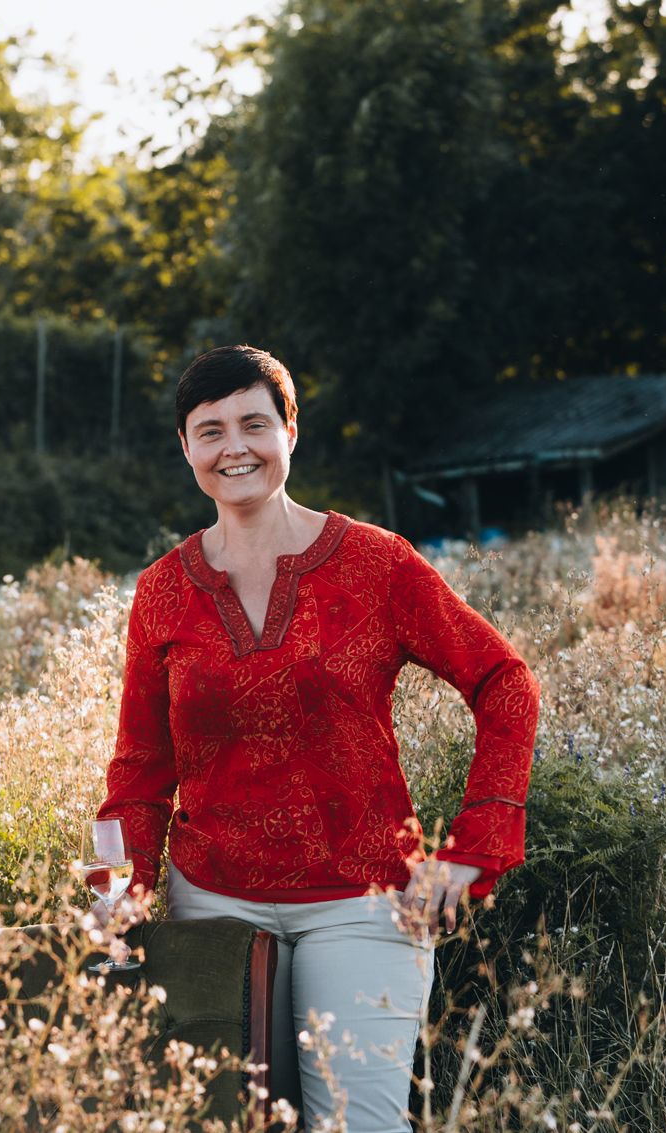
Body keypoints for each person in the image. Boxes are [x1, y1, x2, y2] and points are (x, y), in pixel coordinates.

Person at [97, 345, 538, 1133]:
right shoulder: (162, 590)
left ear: (290, 431)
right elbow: (139, 769)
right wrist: (117, 894)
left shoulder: (377, 563)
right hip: (212, 902)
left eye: (254, 423)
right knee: (222, 1124)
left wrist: (473, 847)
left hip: (362, 902)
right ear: (186, 447)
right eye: (211, 430)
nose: (234, 447)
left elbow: (504, 681)